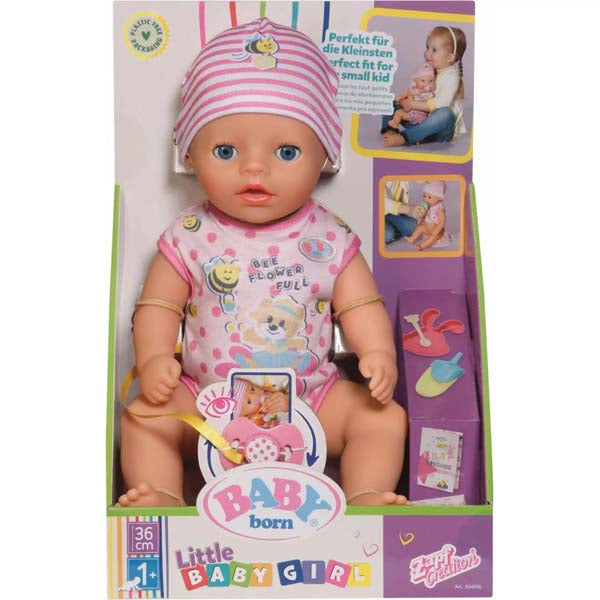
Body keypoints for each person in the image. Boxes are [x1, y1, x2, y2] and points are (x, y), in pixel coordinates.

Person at [117, 18, 408, 509]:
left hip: (312, 402)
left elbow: (360, 304)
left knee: (382, 418)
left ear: (325, 156)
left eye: (287, 151)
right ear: (190, 153)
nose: (255, 167)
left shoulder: (330, 237)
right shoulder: (190, 235)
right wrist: (153, 359)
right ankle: (162, 496)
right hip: (206, 402)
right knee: (144, 417)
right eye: (225, 150)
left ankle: (365, 497)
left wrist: (378, 352)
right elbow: (158, 306)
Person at [381, 25, 467, 148]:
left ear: (450, 57)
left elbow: (441, 103)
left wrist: (412, 104)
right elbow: (416, 86)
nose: (427, 53)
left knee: (445, 114)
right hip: (419, 119)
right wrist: (407, 97)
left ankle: (406, 138)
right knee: (391, 102)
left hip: (439, 130)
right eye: (427, 47)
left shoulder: (451, 76)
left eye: (434, 50)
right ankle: (390, 129)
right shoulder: (430, 69)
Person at [387, 62, 436, 129]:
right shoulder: (413, 89)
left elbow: (430, 104)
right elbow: (406, 94)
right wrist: (400, 97)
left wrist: (425, 94)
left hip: (418, 115)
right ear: (415, 81)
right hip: (411, 112)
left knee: (399, 113)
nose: (427, 83)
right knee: (395, 107)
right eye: (423, 80)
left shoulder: (429, 94)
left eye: (431, 81)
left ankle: (395, 124)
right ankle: (394, 125)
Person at [405, 181, 447, 250]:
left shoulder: (439, 209)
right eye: (424, 196)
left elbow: (442, 222)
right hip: (427, 228)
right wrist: (421, 219)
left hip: (436, 231)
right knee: (420, 228)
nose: (425, 199)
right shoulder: (428, 206)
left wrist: (436, 231)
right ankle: (412, 239)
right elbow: (425, 214)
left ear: (440, 198)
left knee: (433, 237)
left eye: (429, 197)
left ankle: (422, 246)